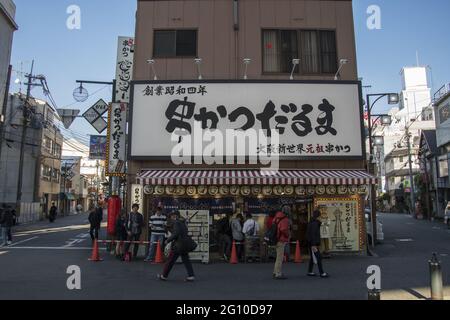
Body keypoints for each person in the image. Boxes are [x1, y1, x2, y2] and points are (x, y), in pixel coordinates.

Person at [158, 211, 195, 282]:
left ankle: (164, 276)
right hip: (184, 244)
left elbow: (176, 233)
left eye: (172, 216)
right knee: (186, 260)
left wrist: (168, 240)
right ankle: (191, 275)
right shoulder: (182, 222)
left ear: (175, 216)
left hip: (178, 245)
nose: (171, 217)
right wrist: (167, 227)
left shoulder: (176, 223)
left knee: (170, 260)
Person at [306, 210, 329, 278]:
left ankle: (310, 271)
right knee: (318, 257)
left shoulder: (312, 222)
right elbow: (313, 234)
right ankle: (322, 273)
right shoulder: (315, 224)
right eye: (320, 216)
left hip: (311, 242)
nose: (321, 217)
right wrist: (314, 244)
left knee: (313, 258)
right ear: (318, 216)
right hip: (313, 243)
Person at [273, 208, 290, 280]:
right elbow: (283, 229)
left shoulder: (276, 217)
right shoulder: (285, 219)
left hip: (276, 239)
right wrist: (287, 235)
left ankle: (275, 272)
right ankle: (278, 273)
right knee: (280, 258)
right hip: (281, 239)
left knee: (278, 257)